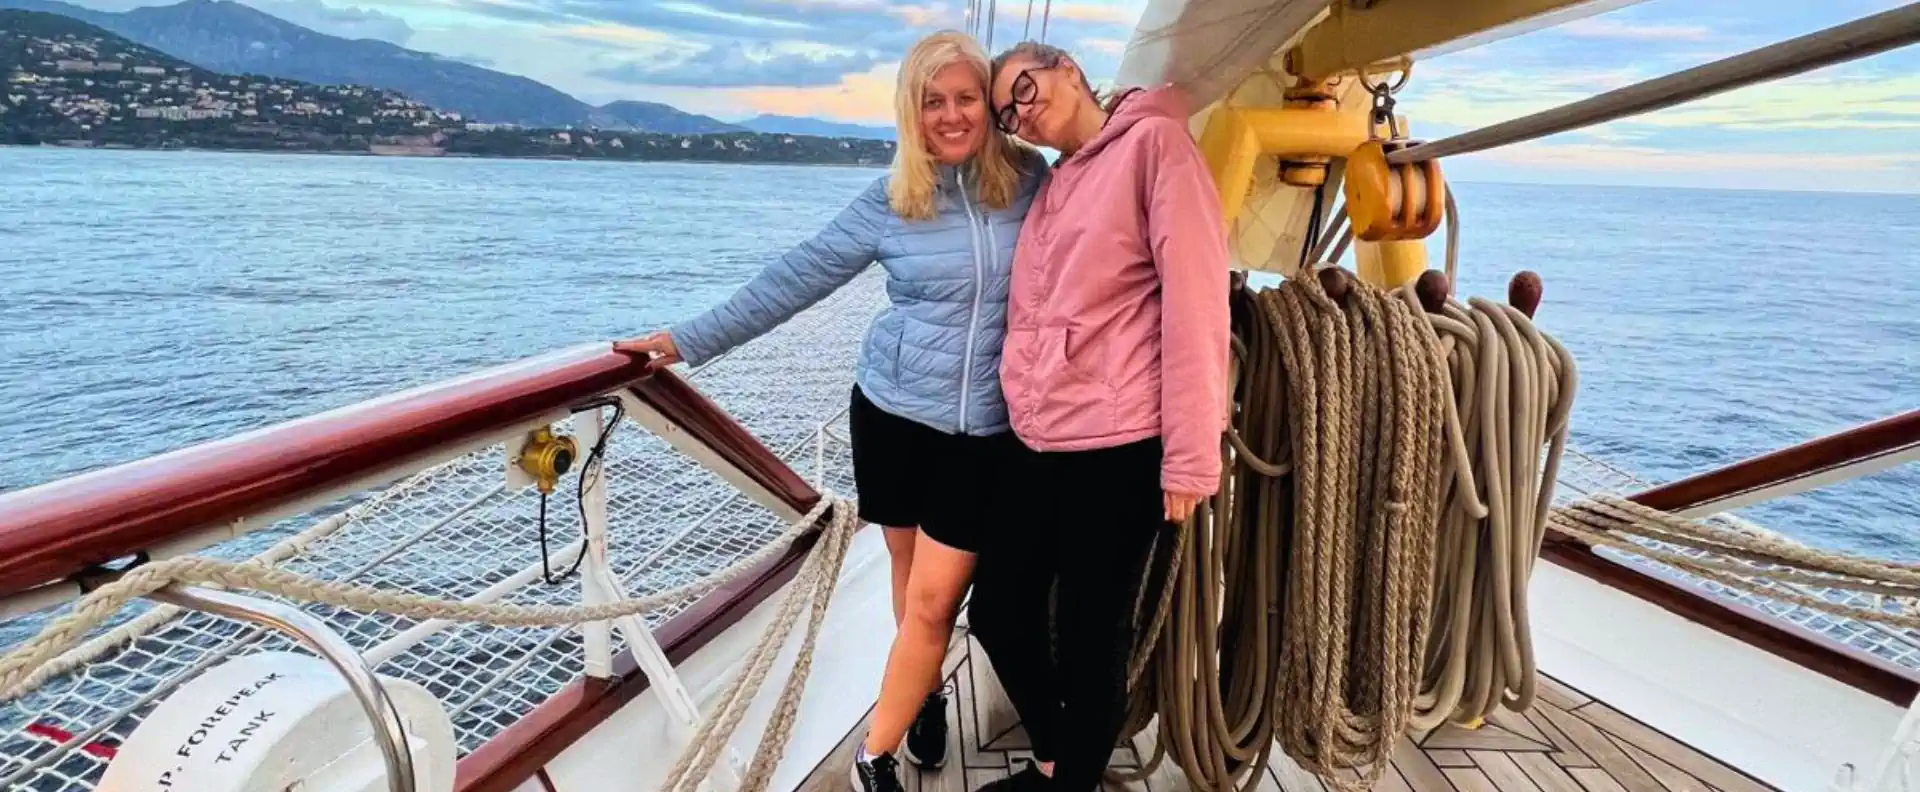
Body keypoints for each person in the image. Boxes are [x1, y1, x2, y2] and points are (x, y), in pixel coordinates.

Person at [612, 30, 1046, 792]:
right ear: (912, 112)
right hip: (893, 414)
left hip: (984, 427)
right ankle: (927, 697)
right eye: (932, 101)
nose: (951, 115)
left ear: (989, 103)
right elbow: (795, 278)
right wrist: (687, 341)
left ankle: (870, 754)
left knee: (937, 600)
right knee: (911, 583)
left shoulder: (1031, 181)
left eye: (965, 98)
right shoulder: (891, 199)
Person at [967, 41, 1230, 792]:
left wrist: (1188, 457)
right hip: (1039, 439)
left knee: (1090, 636)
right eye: (1007, 112)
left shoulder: (1156, 147)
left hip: (1119, 447)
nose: (1021, 110)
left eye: (1025, 86)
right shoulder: (1055, 185)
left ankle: (1069, 780)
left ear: (1069, 70)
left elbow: (1196, 305)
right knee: (1000, 611)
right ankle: (1060, 758)